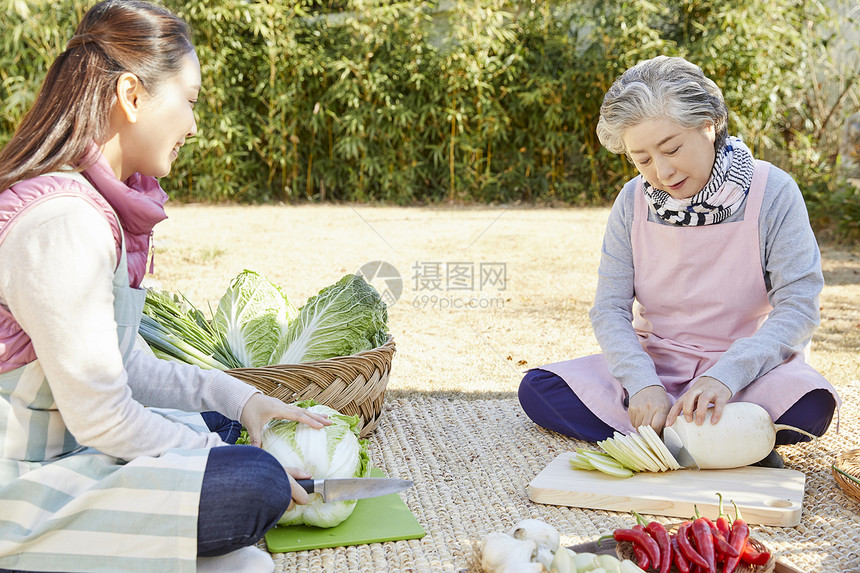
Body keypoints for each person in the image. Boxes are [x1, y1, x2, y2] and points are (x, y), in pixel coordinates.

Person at [0, 2, 331, 572]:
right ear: (131, 96)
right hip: (23, 486)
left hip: (71, 446)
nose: (195, 126)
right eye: (191, 101)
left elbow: (124, 365)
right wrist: (218, 456)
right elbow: (104, 417)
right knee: (253, 481)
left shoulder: (96, 205)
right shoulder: (64, 223)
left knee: (228, 423)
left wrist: (240, 398)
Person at [518, 56, 840, 464]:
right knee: (538, 389)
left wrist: (724, 377)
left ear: (709, 124)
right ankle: (713, 441)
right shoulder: (631, 201)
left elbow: (798, 307)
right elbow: (609, 308)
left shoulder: (773, 190)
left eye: (671, 148)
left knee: (811, 408)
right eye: (643, 159)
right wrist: (640, 384)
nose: (663, 171)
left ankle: (659, 438)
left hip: (746, 372)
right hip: (659, 368)